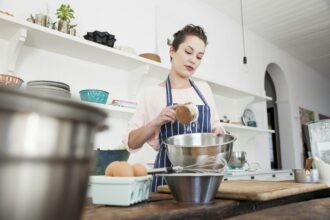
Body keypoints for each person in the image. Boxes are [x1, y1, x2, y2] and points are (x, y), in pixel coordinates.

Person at [123, 24, 225, 192]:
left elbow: (217, 125)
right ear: (172, 51)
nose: (193, 60)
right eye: (188, 52)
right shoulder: (152, 93)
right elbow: (130, 142)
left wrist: (219, 132)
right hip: (167, 182)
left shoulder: (204, 89)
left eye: (199, 57)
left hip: (204, 178)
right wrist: (156, 122)